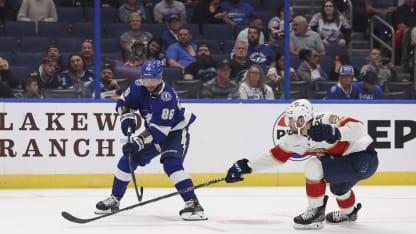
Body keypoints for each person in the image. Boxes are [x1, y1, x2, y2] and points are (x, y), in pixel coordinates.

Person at [225, 98, 378, 229]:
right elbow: (274, 156)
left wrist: (336, 132)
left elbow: (360, 128)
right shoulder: (294, 139)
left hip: (364, 158)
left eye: (291, 119)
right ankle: (349, 213)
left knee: (313, 166)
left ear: (302, 119)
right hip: (349, 164)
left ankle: (316, 212)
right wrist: (246, 167)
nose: (288, 123)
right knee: (338, 189)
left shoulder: (326, 119)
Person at [95, 60, 207, 221]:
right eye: (146, 79)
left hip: (174, 132)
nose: (149, 84)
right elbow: (123, 102)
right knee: (127, 160)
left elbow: (159, 132)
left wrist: (137, 142)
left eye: (153, 80)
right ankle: (114, 200)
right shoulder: (138, 86)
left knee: (171, 164)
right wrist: (127, 117)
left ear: (160, 78)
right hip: (155, 129)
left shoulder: (167, 97)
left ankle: (193, 204)